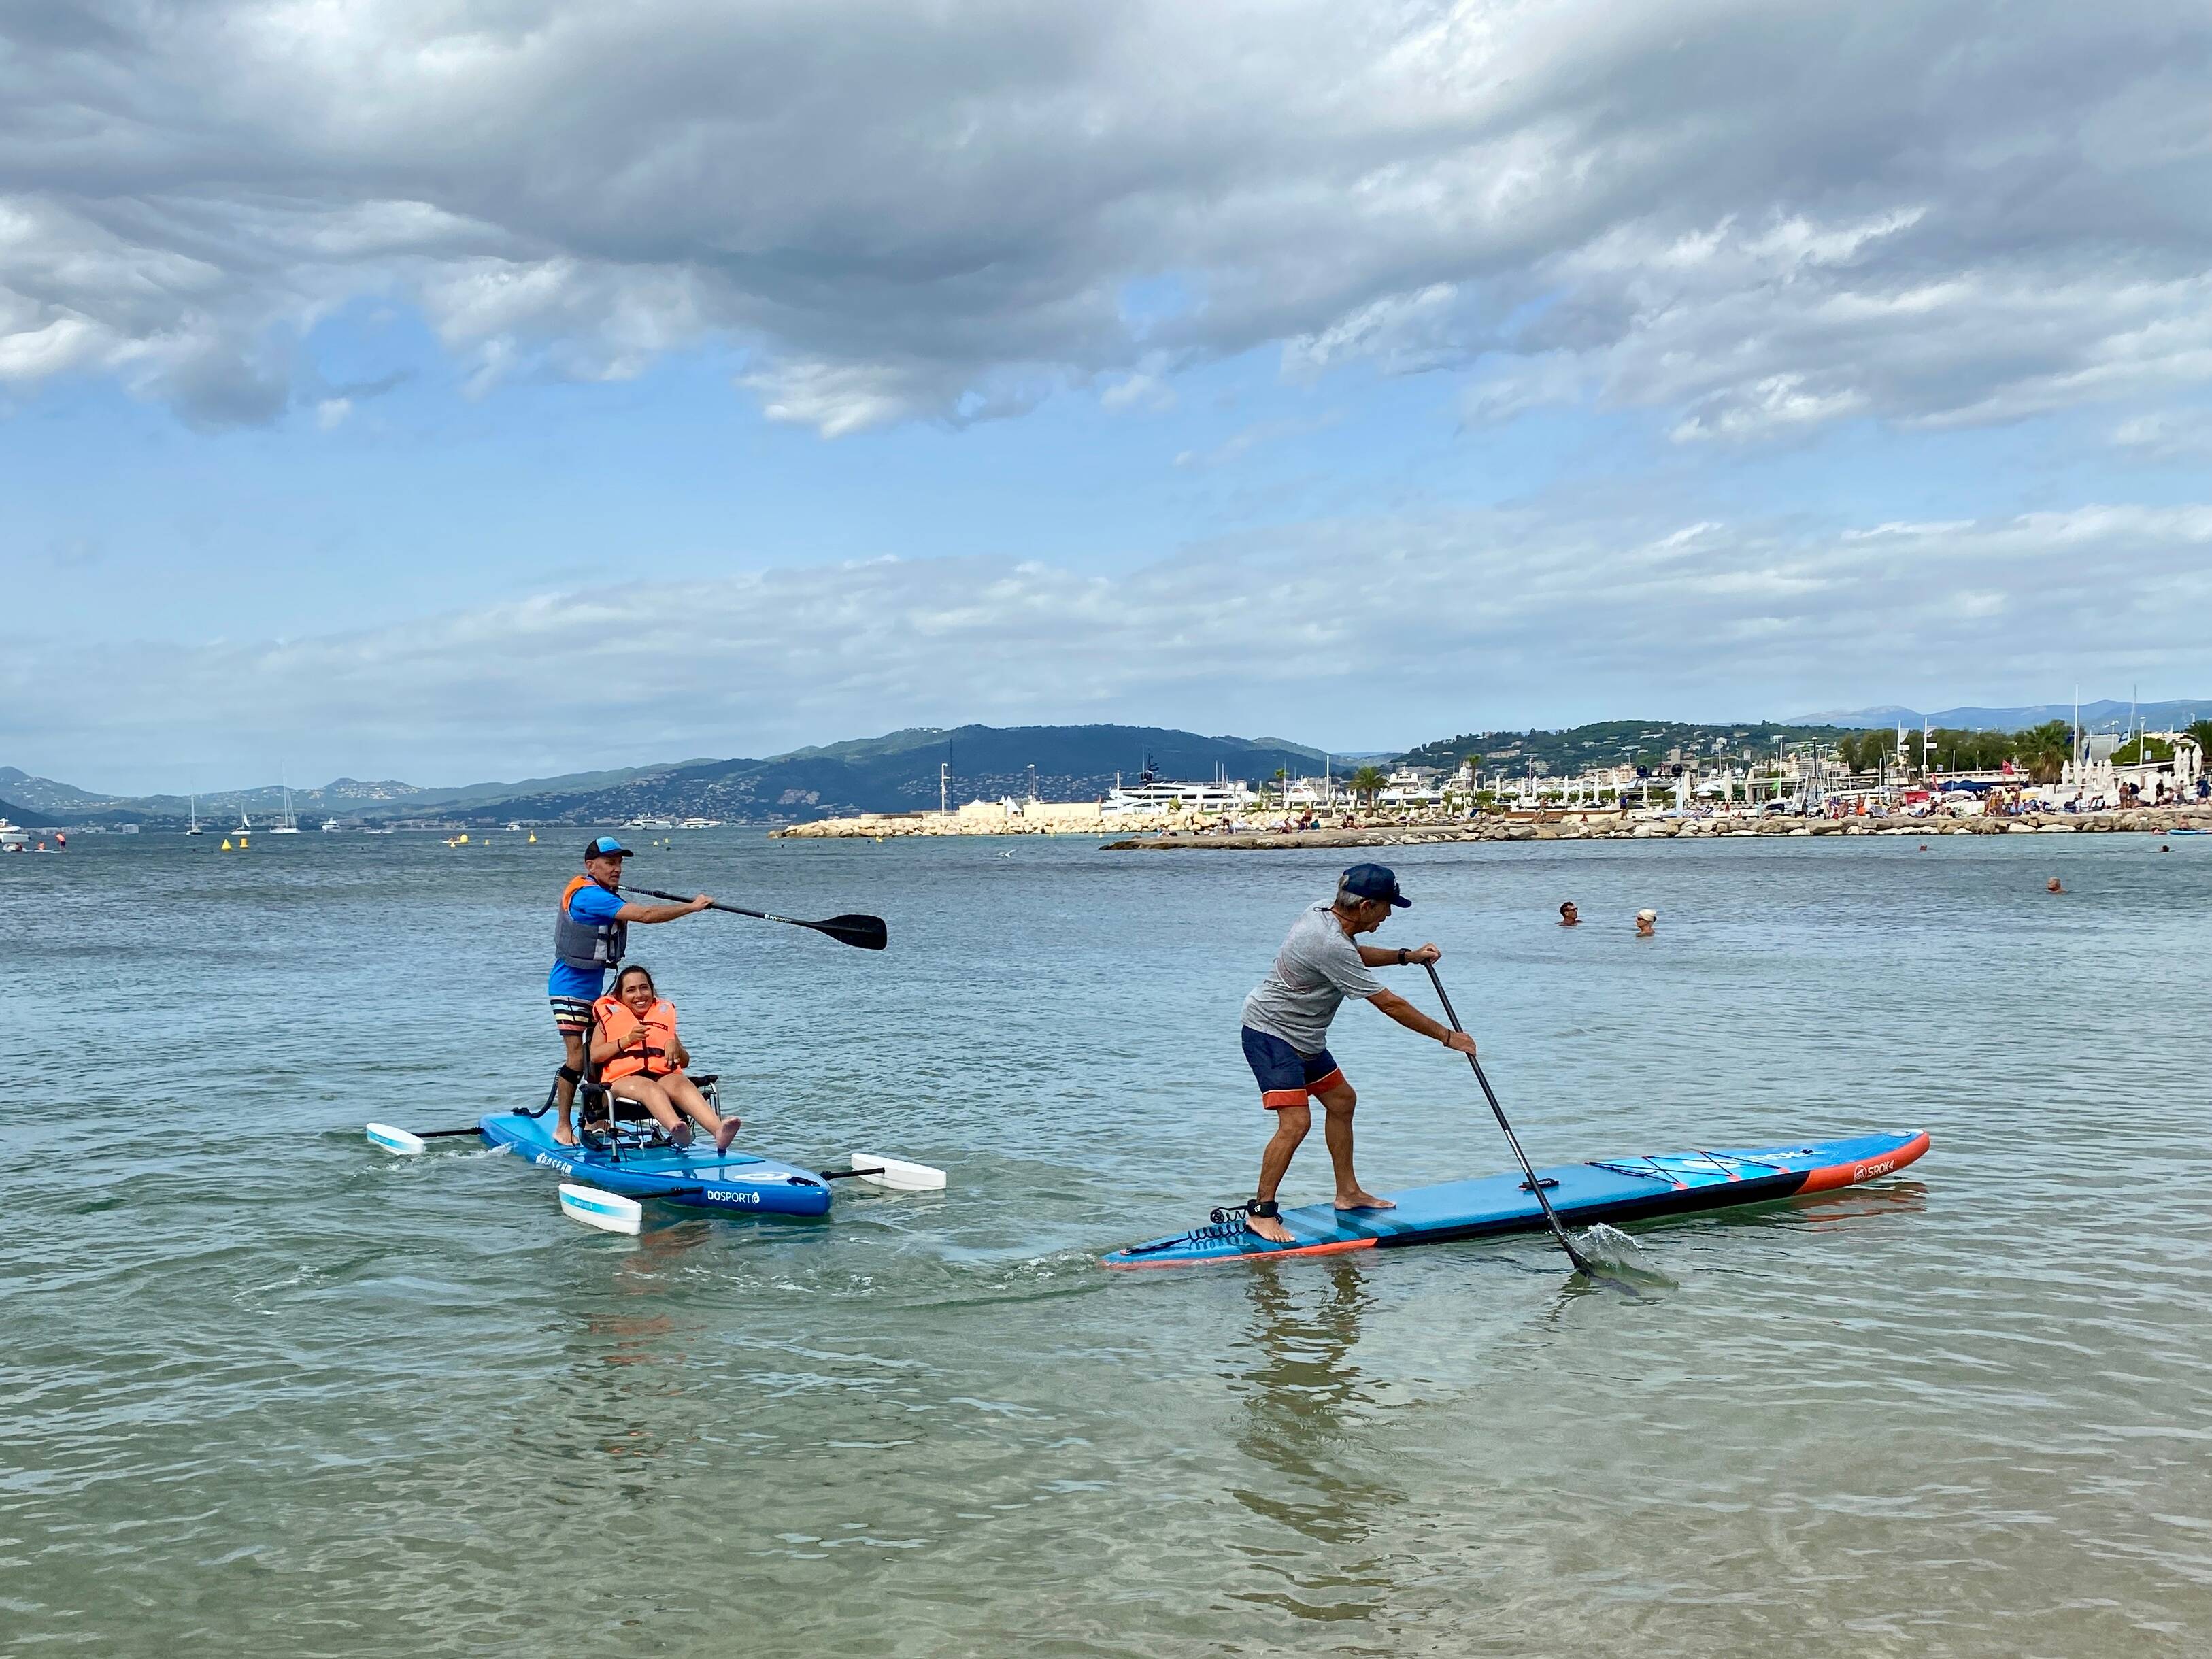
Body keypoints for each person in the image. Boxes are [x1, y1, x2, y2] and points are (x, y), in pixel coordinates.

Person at [1239, 863, 1477, 1245]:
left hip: (1305, 1037)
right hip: (1272, 1034)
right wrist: (1448, 1037)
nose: (1389, 914)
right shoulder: (1328, 943)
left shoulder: (1324, 913)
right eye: (1387, 907)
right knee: (1296, 1123)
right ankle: (1261, 1213)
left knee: (1342, 1100)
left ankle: (1347, 1194)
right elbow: (1390, 1005)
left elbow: (1354, 955)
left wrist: (1406, 956)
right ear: (1366, 906)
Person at [548, 836, 714, 1145]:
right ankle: (562, 1127)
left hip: (596, 987)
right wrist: (691, 908)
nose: (617, 869)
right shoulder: (590, 897)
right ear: (590, 866)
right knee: (577, 1059)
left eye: (620, 863)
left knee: (598, 1055)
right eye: (610, 863)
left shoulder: (602, 892)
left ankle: (595, 1121)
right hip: (569, 987)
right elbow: (646, 916)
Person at [591, 963, 742, 1153]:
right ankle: (676, 1128)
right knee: (648, 1087)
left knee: (681, 1083)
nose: (639, 995)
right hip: (620, 1085)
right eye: (631, 990)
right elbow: (595, 1056)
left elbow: (685, 1061)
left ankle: (719, 1131)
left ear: (652, 990)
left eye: (644, 987)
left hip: (660, 1077)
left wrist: (675, 1045)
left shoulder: (662, 1019)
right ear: (620, 997)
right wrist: (626, 1040)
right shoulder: (609, 1020)